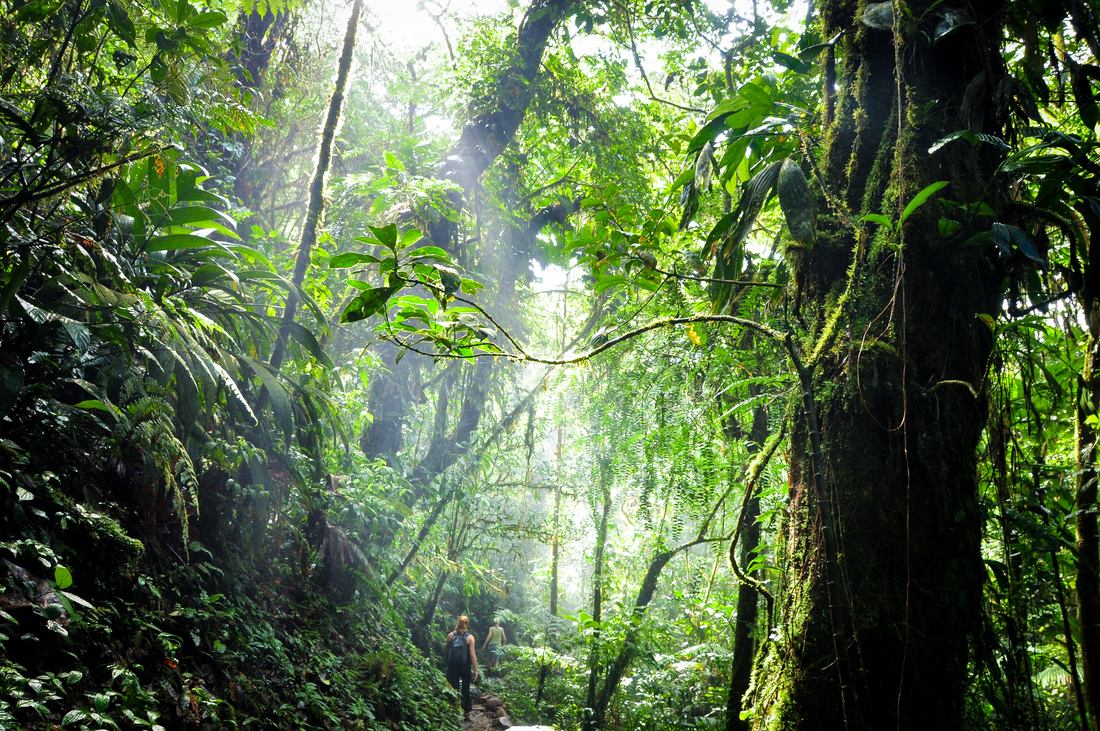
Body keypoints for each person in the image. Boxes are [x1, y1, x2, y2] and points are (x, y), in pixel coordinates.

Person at [444, 615, 478, 715]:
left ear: (457, 623)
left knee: (453, 687)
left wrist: (446, 664)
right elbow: (472, 655)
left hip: (452, 665)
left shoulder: (450, 635)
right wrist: (476, 670)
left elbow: (446, 651)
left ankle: (453, 709)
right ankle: (466, 711)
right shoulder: (470, 638)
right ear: (467, 624)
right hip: (465, 666)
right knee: (465, 688)